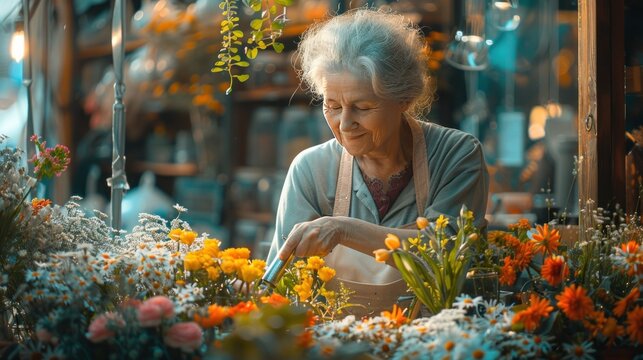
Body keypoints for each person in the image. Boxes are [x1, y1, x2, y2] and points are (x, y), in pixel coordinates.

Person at [266, 8, 489, 316]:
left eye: (362, 107)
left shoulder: (456, 155)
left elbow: (447, 255)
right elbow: (282, 289)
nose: (344, 124)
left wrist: (343, 229)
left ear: (404, 100)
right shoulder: (311, 170)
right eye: (332, 106)